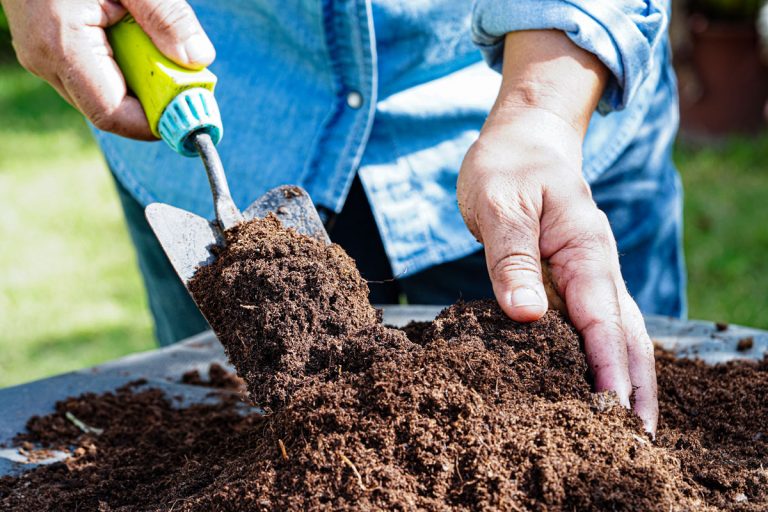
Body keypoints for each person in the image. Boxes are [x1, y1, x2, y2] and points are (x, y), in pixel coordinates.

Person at [2, 0, 683, 434]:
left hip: (533, 107)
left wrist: (541, 112)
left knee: (599, 419)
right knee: (244, 435)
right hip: (243, 92)